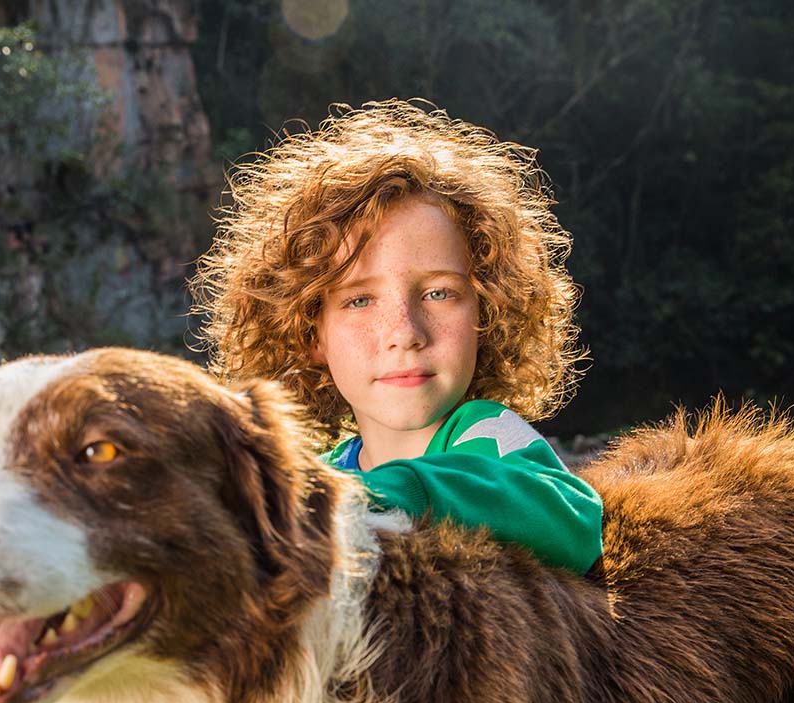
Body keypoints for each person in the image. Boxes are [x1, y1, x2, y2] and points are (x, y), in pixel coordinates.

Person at [194, 100, 602, 574]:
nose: (405, 333)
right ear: (311, 335)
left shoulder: (487, 435)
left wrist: (387, 496)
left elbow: (575, 522)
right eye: (359, 300)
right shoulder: (322, 477)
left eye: (438, 293)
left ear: (488, 313)